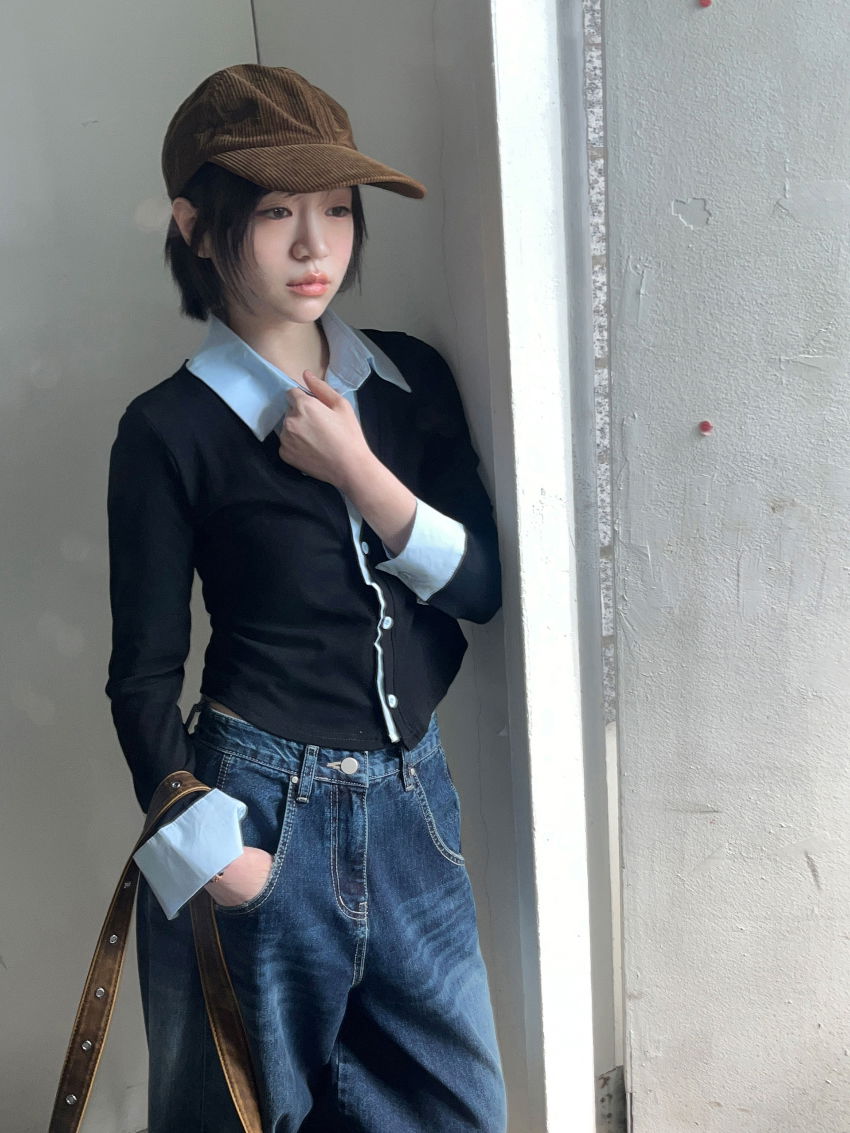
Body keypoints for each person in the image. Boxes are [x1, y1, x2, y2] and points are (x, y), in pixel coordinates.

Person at [105, 63, 506, 1132]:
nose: (314, 244)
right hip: (257, 807)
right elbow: (141, 677)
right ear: (196, 228)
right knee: (234, 1116)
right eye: (276, 211)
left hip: (416, 809)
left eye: (335, 208)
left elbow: (480, 587)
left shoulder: (409, 379)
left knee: (457, 1110)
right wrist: (219, 860)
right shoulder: (167, 430)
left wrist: (359, 472)